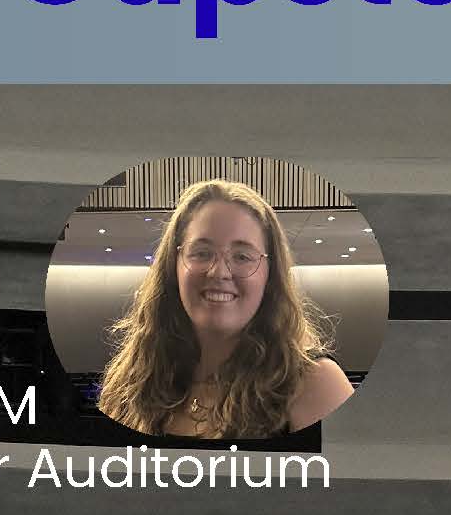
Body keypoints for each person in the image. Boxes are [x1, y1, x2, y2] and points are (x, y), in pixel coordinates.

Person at [96, 177, 355, 443]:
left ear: (270, 276)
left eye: (242, 256)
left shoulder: (315, 384)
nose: (219, 272)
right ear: (174, 266)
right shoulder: (128, 383)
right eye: (201, 253)